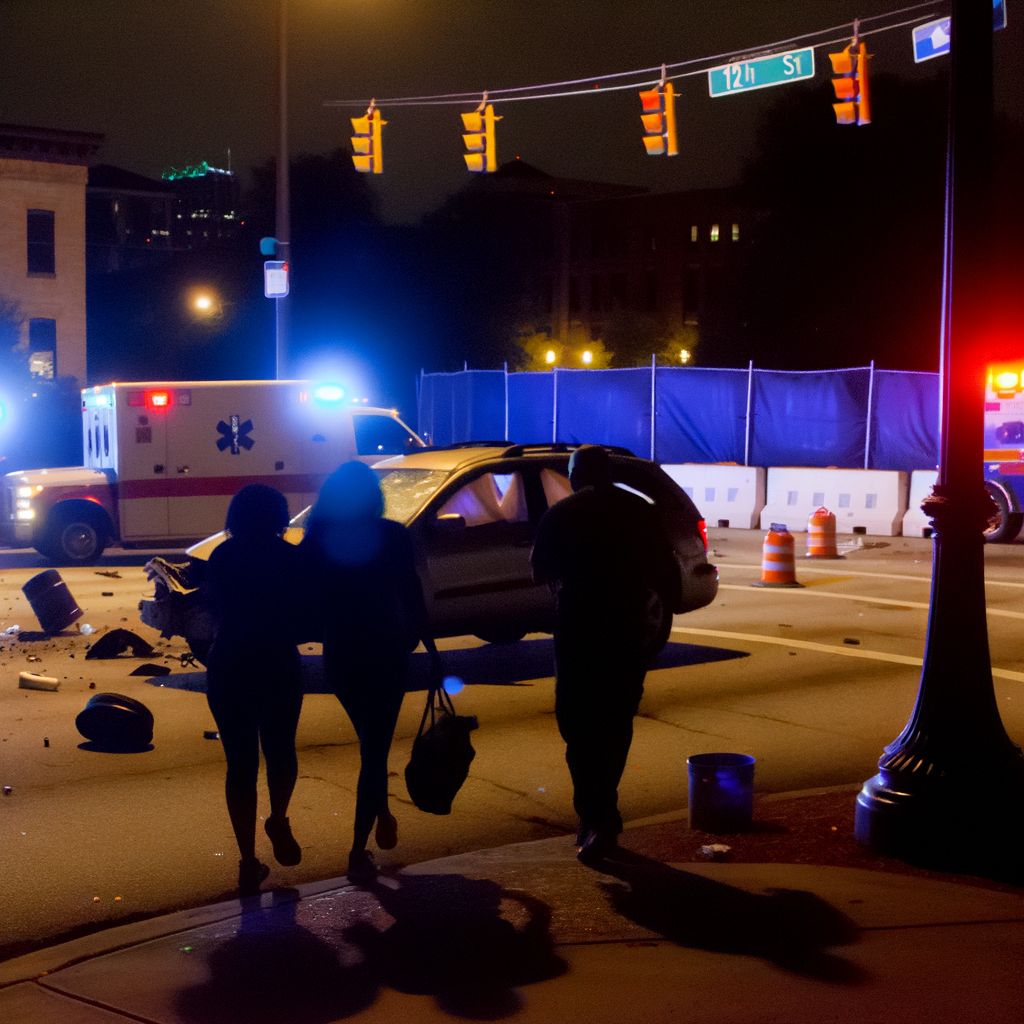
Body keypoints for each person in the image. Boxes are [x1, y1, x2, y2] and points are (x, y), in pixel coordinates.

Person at [530, 445, 680, 864]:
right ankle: (601, 811)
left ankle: (596, 814)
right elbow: (665, 570)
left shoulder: (562, 513)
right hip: (627, 632)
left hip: (579, 632)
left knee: (578, 727)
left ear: (576, 476)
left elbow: (539, 569)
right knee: (616, 723)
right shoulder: (640, 511)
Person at [301, 460, 439, 883]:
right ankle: (360, 846)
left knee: (370, 742)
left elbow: (305, 599)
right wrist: (432, 647)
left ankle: (377, 816)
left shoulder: (317, 539)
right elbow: (411, 593)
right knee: (374, 748)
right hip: (386, 646)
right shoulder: (393, 536)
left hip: (342, 650)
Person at [204, 483, 306, 896]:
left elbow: (211, 608)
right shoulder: (290, 558)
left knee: (240, 764)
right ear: (280, 517)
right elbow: (306, 612)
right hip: (277, 660)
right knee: (281, 749)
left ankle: (248, 862)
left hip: (229, 662)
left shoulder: (222, 555)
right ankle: (278, 819)